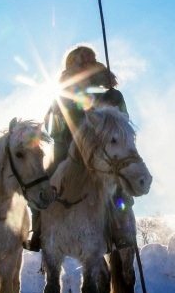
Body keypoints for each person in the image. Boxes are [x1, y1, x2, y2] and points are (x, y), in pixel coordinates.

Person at [26, 45, 137, 254]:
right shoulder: (61, 96)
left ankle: (121, 226)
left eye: (87, 61)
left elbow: (122, 125)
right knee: (41, 184)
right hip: (67, 154)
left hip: (101, 154)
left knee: (119, 182)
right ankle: (39, 230)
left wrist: (110, 106)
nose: (83, 66)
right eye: (78, 63)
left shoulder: (111, 95)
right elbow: (51, 128)